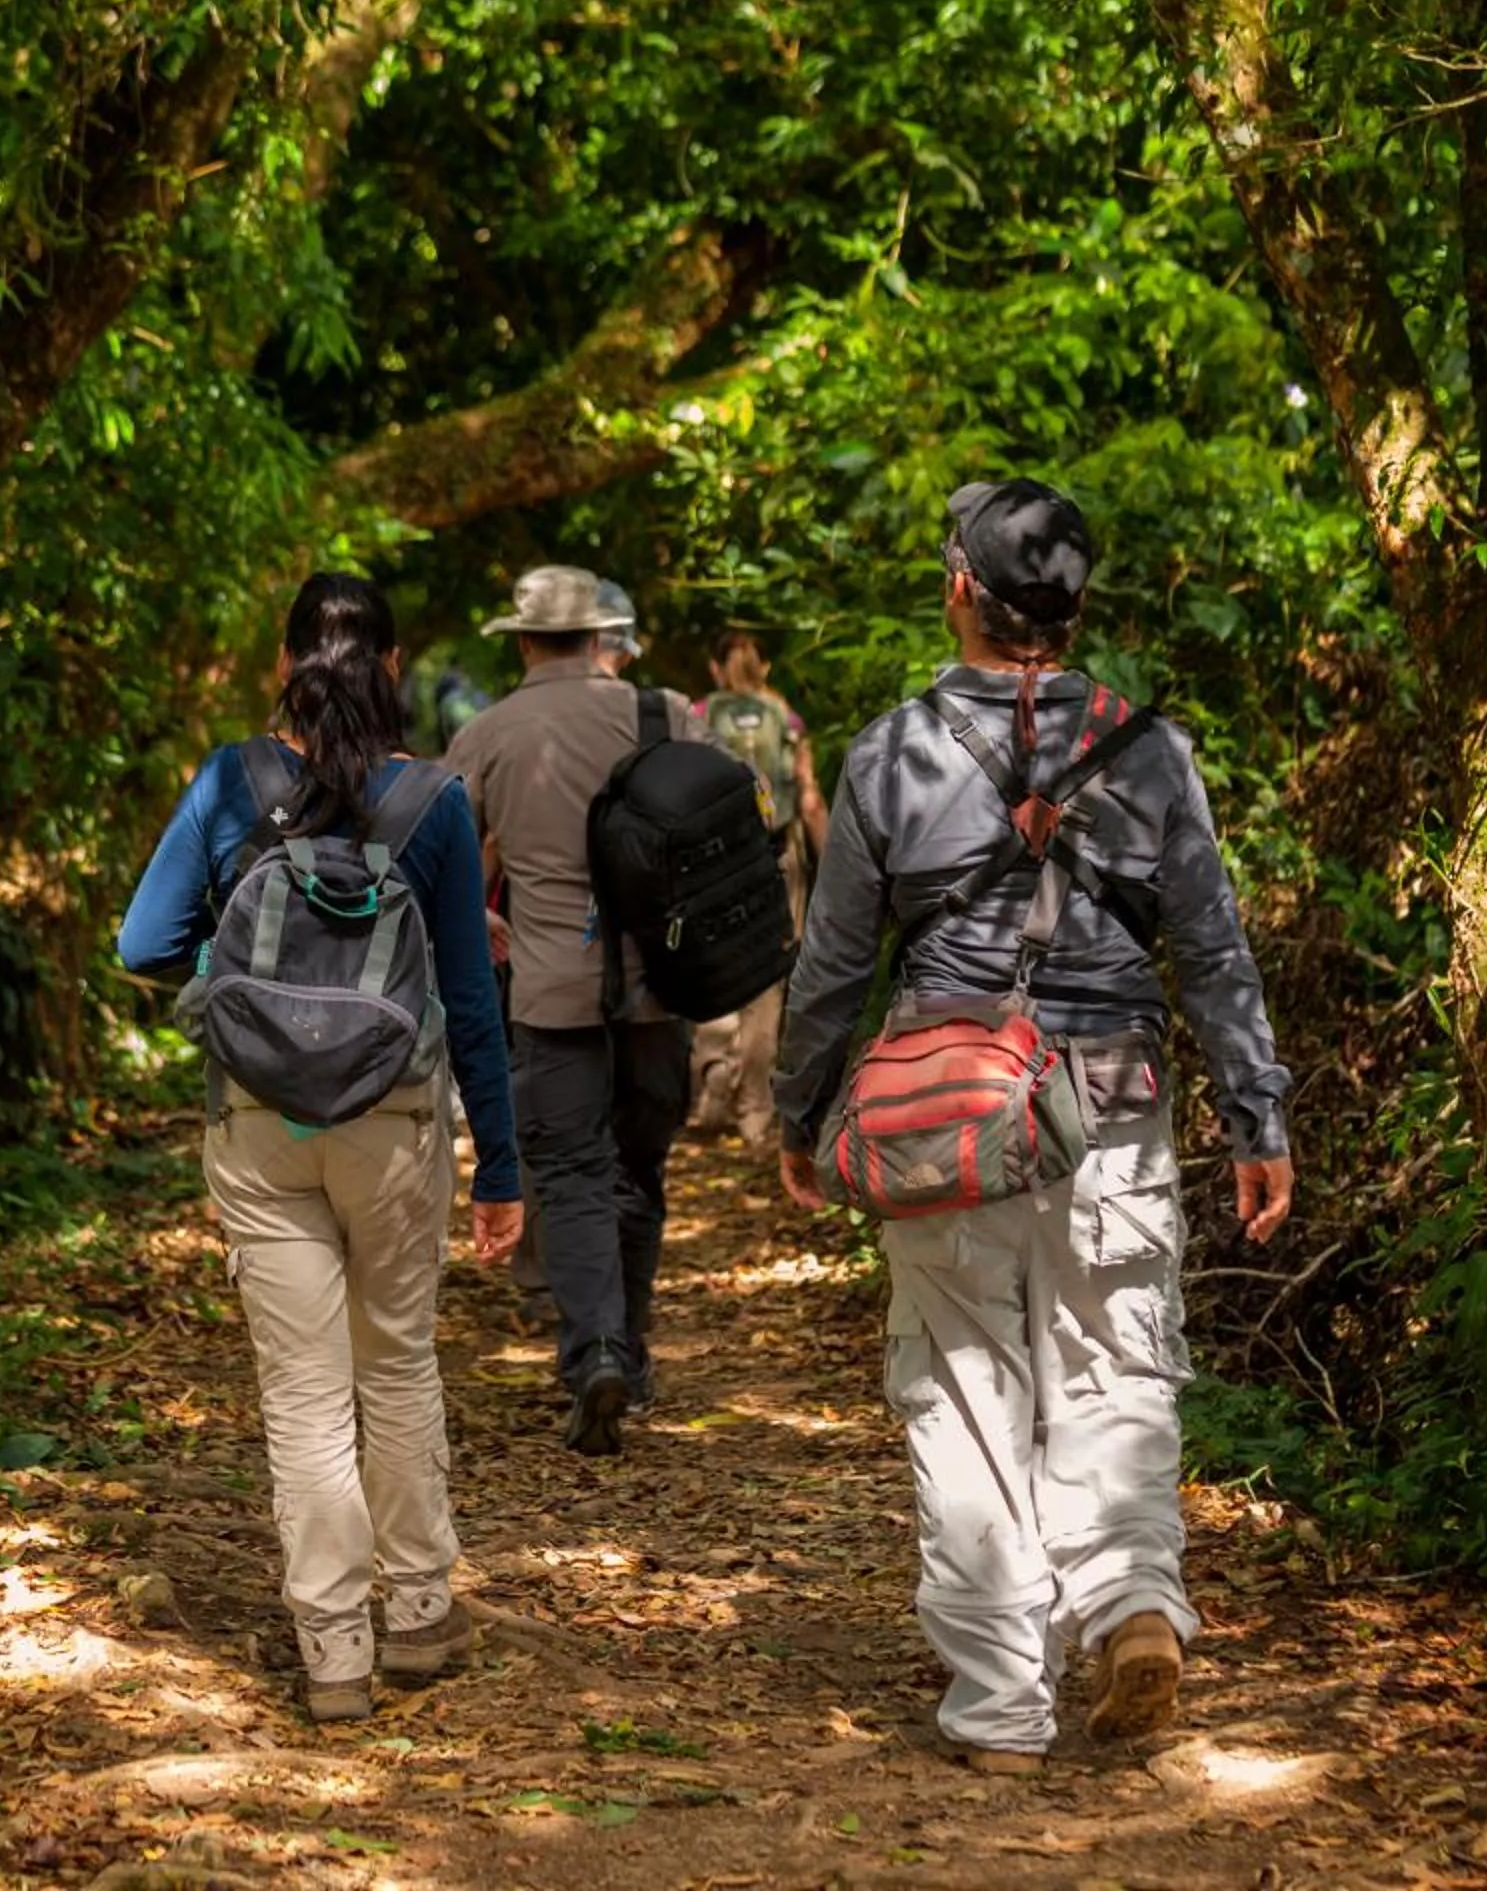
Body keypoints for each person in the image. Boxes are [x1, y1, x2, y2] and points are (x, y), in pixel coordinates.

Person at [772, 480, 1295, 1772]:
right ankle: (1127, 1604)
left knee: (961, 1390)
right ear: (1074, 606)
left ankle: (1002, 1701)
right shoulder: (1150, 748)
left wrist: (799, 1107)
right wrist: (1257, 1111)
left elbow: (837, 957)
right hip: (1113, 1102)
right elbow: (1213, 948)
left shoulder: (892, 750)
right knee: (1117, 1367)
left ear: (961, 587)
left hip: (946, 1105)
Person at [118, 574, 526, 1724]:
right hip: (394, 1124)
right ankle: (415, 1614)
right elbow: (469, 999)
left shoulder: (231, 780)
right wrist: (499, 1165)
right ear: (393, 668)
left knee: (303, 1391)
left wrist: (230, 972)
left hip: (257, 1126)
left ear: (282, 664)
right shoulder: (433, 801)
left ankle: (332, 1649)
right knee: (394, 1364)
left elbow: (144, 943)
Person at [448, 563, 698, 1457]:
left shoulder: (486, 733)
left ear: (521, 641)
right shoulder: (668, 715)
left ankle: (593, 1348)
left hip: (550, 994)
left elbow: (439, 856)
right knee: (640, 1167)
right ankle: (629, 1347)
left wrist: (476, 916)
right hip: (664, 990)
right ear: (600, 637)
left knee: (575, 1174)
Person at [688, 630, 830, 1147]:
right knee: (768, 978)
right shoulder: (787, 722)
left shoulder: (699, 714)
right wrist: (834, 864)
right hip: (777, 857)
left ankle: (712, 1081)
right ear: (764, 667)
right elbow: (809, 797)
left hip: (713, 861)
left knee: (713, 964)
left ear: (715, 668)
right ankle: (754, 1112)